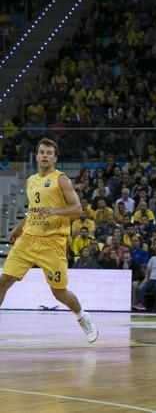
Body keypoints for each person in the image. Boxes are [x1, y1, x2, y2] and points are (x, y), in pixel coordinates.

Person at [0, 138, 98, 342]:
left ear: (55, 157)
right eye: (42, 152)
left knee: (59, 293)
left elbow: (78, 209)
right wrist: (18, 228)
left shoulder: (61, 179)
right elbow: (33, 210)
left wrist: (54, 211)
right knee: (4, 281)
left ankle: (82, 317)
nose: (44, 155)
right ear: (36, 156)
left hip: (52, 242)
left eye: (49, 153)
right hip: (28, 239)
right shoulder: (31, 180)